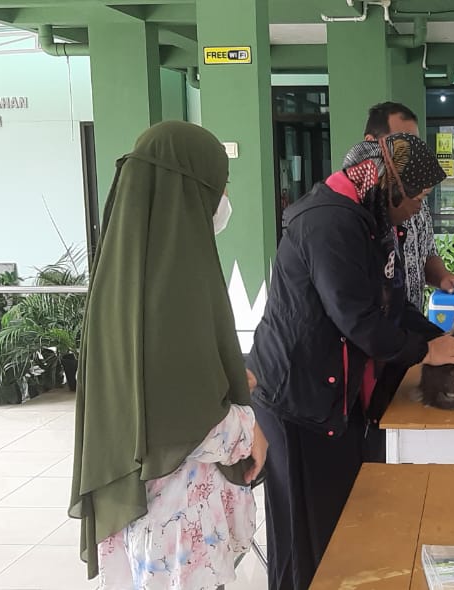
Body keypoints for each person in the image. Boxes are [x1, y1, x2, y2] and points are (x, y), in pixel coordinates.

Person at [251, 133, 454, 590]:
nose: (419, 208)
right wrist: (425, 351)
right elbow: (356, 317)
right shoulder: (329, 222)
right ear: (390, 187)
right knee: (304, 540)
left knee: (342, 526)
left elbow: (393, 307)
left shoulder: (371, 219)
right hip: (298, 398)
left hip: (336, 393)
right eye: (416, 197)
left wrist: (443, 342)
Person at [68, 121, 269, 590]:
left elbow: (152, 379)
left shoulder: (122, 270)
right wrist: (250, 430)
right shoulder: (177, 281)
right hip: (177, 518)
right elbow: (183, 419)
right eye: (219, 187)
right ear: (191, 190)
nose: (223, 201)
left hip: (134, 501)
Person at [356, 101, 454, 309]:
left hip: (409, 322)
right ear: (371, 144)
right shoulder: (352, 210)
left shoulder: (417, 203)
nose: (412, 157)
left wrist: (444, 278)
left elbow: (427, 253)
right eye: (403, 145)